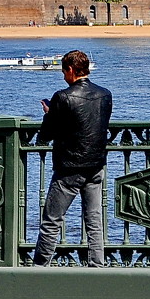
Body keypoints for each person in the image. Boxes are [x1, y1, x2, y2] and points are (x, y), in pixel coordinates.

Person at [33, 50, 112, 267]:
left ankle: (38, 269)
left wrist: (49, 113)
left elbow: (46, 135)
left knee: (51, 221)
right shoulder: (105, 94)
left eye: (63, 71)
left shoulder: (63, 96)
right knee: (94, 220)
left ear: (71, 70)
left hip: (69, 168)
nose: (63, 76)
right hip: (96, 165)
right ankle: (97, 267)